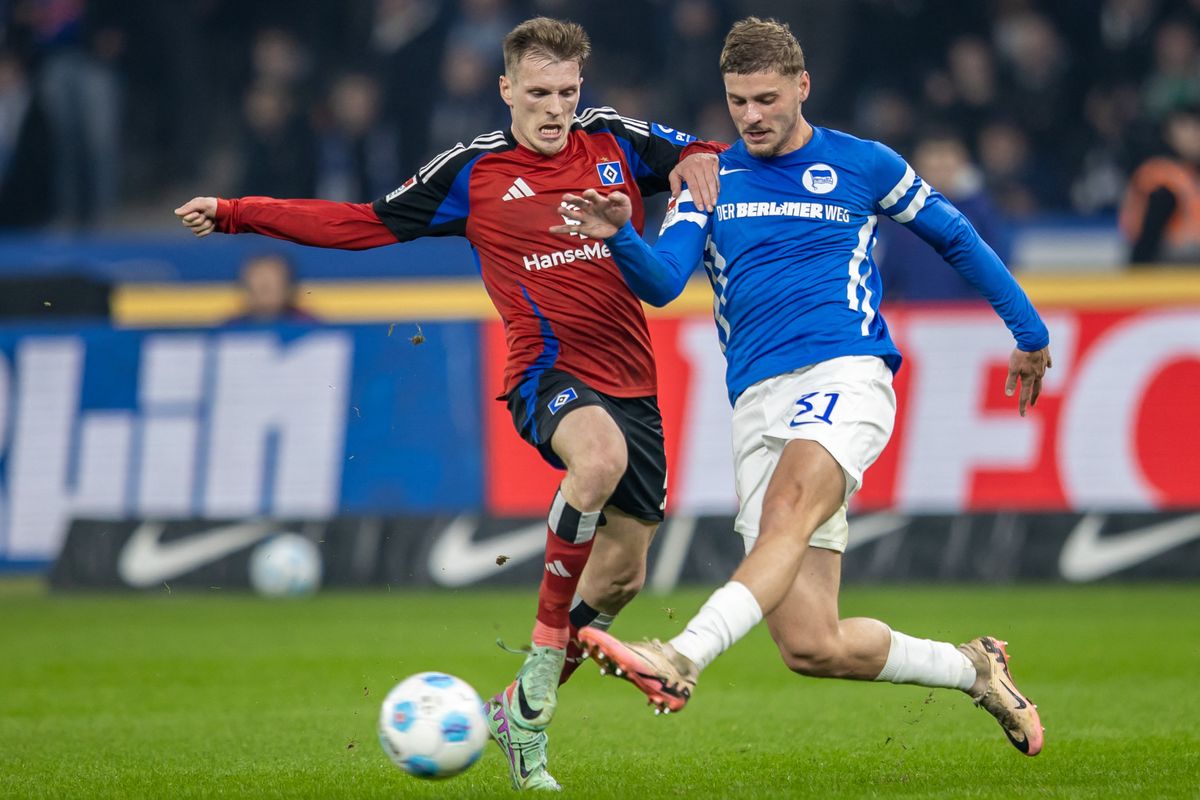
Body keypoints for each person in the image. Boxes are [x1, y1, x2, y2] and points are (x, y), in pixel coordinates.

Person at [175, 16, 721, 792]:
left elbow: (704, 153)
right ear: (505, 89)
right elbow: (359, 224)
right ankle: (539, 657)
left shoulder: (613, 141)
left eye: (567, 92)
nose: (555, 108)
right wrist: (237, 211)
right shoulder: (474, 171)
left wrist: (700, 160)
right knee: (598, 459)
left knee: (625, 576)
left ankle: (518, 714)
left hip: (633, 381)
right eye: (538, 92)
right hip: (547, 371)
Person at [553, 17, 1051, 758]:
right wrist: (621, 232)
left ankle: (681, 656)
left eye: (765, 98)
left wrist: (1030, 332)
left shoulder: (864, 163)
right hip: (757, 401)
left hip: (845, 373)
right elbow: (661, 283)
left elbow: (955, 235)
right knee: (812, 644)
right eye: (737, 101)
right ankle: (973, 667)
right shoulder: (706, 175)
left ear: (802, 87)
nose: (751, 116)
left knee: (789, 508)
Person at [877, 130, 1010, 301]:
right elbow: (888, 275)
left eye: (945, 166)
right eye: (933, 166)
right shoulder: (900, 216)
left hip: (968, 318)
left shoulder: (980, 213)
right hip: (915, 316)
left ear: (961, 164)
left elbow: (997, 272)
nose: (940, 172)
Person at [1120, 103, 1200, 264]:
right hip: (1169, 271)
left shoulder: (1188, 173)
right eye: (1190, 128)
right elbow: (1147, 242)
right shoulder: (1163, 179)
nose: (1196, 136)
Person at [226, 253, 318, 324]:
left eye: (272, 286)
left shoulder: (310, 328)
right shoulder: (230, 332)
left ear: (288, 288)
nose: (265, 290)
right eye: (261, 288)